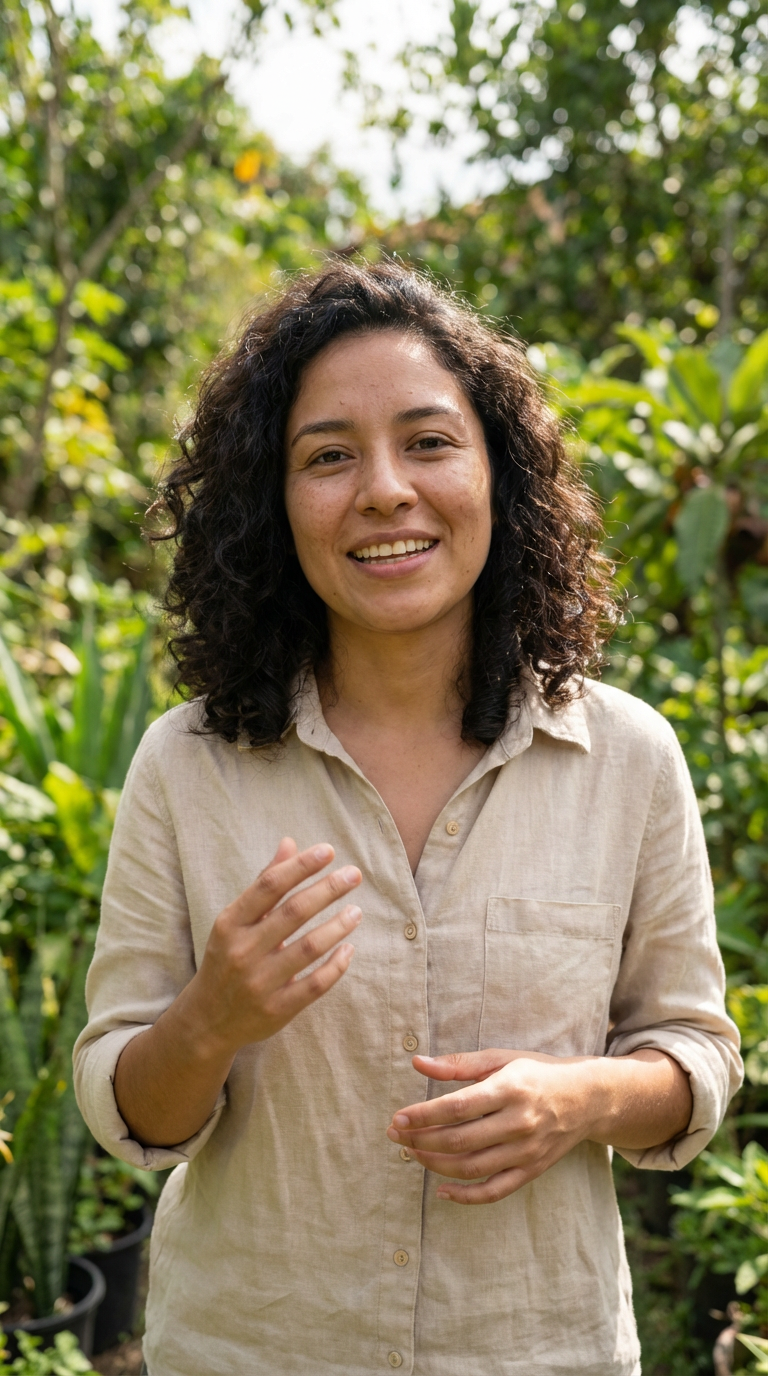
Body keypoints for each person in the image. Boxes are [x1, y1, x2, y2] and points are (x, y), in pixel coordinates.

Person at [73, 259, 741, 1376]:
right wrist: (211, 1016)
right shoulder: (188, 767)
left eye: (428, 441)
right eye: (328, 455)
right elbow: (129, 1111)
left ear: (498, 476)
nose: (384, 490)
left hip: (541, 1348)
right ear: (272, 503)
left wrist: (580, 1099)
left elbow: (697, 1055)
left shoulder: (627, 758)